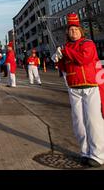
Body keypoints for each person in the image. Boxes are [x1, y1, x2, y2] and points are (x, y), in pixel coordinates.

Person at [53, 13, 104, 168]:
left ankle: (98, 155)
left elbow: (83, 59)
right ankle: (85, 152)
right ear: (67, 33)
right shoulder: (66, 48)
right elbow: (64, 68)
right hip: (74, 88)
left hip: (90, 87)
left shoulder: (88, 44)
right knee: (79, 123)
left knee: (93, 122)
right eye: (71, 30)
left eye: (76, 29)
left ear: (81, 31)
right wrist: (58, 59)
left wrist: (65, 52)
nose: (73, 32)